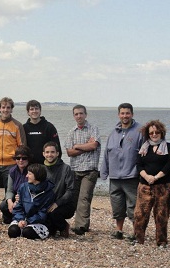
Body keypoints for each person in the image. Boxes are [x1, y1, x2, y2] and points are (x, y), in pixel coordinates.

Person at [100, 103, 143, 240]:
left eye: (127, 113)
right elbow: (107, 153)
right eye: (122, 113)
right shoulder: (113, 133)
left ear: (132, 114)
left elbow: (144, 153)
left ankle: (136, 232)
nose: (125, 116)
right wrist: (104, 172)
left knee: (133, 206)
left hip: (131, 176)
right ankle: (119, 231)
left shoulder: (140, 131)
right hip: (115, 177)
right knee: (117, 205)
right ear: (119, 115)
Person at [64, 104, 101, 235]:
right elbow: (69, 152)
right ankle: (70, 222)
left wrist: (78, 146)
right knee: (73, 198)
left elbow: (94, 145)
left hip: (90, 170)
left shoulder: (93, 129)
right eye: (76, 114)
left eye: (81, 113)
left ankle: (81, 226)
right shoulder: (71, 132)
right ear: (73, 116)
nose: (79, 116)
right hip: (75, 169)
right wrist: (86, 146)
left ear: (86, 114)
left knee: (84, 198)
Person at [134, 120, 170, 247]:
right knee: (140, 214)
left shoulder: (168, 147)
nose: (154, 134)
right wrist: (147, 177)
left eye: (157, 132)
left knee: (162, 214)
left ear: (162, 132)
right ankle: (138, 239)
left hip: (163, 186)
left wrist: (156, 177)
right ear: (147, 134)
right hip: (144, 185)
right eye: (151, 133)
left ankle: (161, 242)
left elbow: (168, 165)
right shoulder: (143, 148)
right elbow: (138, 165)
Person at [8, 163, 55, 240]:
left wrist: (28, 221)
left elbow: (43, 213)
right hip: (22, 219)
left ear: (37, 175)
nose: (26, 176)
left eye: (29, 174)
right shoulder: (23, 187)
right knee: (13, 232)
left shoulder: (49, 193)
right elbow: (18, 206)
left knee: (27, 233)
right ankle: (21, 227)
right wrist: (20, 220)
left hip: (38, 222)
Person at [43, 142, 77, 238]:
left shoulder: (66, 168)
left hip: (65, 204)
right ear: (43, 154)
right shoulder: (42, 169)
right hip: (48, 204)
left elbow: (71, 190)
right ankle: (54, 227)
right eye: (47, 152)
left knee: (54, 213)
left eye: (52, 152)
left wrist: (57, 203)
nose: (50, 155)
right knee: (50, 232)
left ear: (57, 153)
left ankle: (64, 227)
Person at [0, 145, 32, 224]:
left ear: (28, 159)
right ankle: (10, 218)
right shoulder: (12, 171)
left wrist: (18, 200)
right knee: (4, 205)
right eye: (18, 158)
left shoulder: (32, 170)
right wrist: (10, 202)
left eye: (24, 158)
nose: (21, 160)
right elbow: (9, 190)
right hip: (15, 196)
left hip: (29, 197)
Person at [23, 100, 61, 164]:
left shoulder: (49, 127)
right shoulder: (24, 128)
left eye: (36, 109)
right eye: (32, 109)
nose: (34, 111)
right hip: (29, 165)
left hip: (47, 164)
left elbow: (57, 147)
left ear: (40, 111)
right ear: (28, 112)